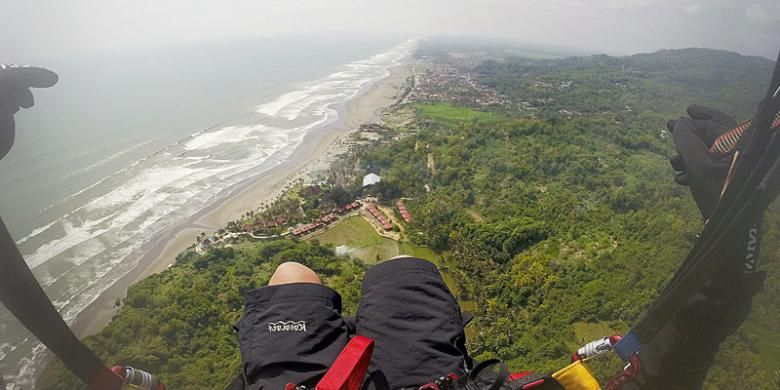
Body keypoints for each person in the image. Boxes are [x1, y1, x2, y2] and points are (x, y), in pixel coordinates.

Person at [0, 65, 766, 389]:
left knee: (303, 276)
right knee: (398, 271)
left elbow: (662, 370)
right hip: (404, 376)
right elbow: (656, 371)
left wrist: (730, 250)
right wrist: (732, 244)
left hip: (329, 377)